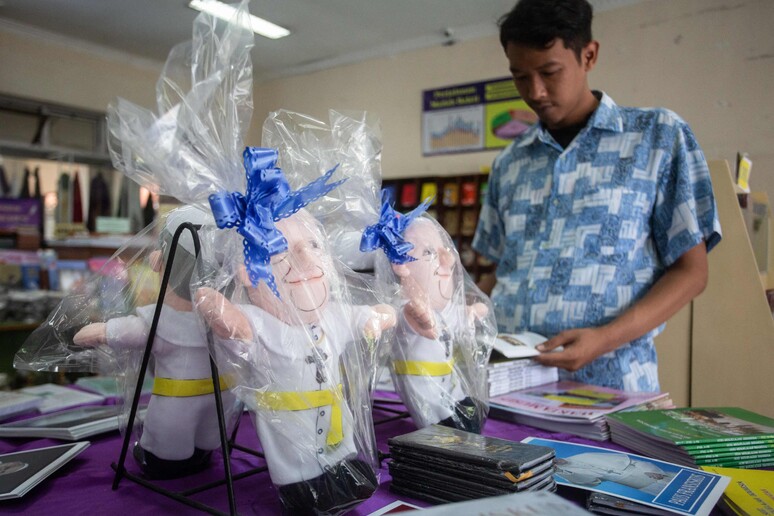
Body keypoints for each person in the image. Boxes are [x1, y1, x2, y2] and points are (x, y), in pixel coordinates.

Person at [472, 0, 722, 392]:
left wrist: (604, 338)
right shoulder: (510, 162)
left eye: (549, 72)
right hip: (512, 384)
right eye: (520, 76)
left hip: (613, 384)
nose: (534, 92)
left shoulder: (657, 137)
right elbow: (499, 271)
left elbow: (692, 272)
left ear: (589, 55)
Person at [196, 209, 397, 515]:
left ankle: (341, 474)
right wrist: (223, 316)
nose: (305, 258)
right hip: (289, 428)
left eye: (314, 246)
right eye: (281, 250)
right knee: (303, 479)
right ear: (249, 273)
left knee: (344, 462)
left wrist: (382, 316)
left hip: (336, 421)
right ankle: (304, 490)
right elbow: (239, 338)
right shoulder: (261, 322)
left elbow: (371, 314)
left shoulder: (332, 316)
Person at [73, 205, 242, 480]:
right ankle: (203, 453)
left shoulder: (162, 321)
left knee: (167, 444)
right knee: (210, 435)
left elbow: (131, 331)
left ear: (158, 262)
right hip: (223, 398)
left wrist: (103, 330)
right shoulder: (228, 320)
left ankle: (167, 460)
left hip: (177, 399)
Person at [364, 199, 491, 433]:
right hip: (427, 395)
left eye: (444, 250)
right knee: (451, 429)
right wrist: (416, 316)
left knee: (472, 417)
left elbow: (465, 317)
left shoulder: (443, 310)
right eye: (430, 252)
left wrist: (473, 311)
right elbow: (408, 321)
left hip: (452, 387)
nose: (448, 260)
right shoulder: (405, 310)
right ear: (401, 266)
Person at [555, 453, 675, 496]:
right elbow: (592, 482)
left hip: (640, 469)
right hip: (629, 481)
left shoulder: (582, 456)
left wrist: (651, 471)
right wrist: (560, 471)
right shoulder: (567, 473)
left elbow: (630, 460)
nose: (555, 460)